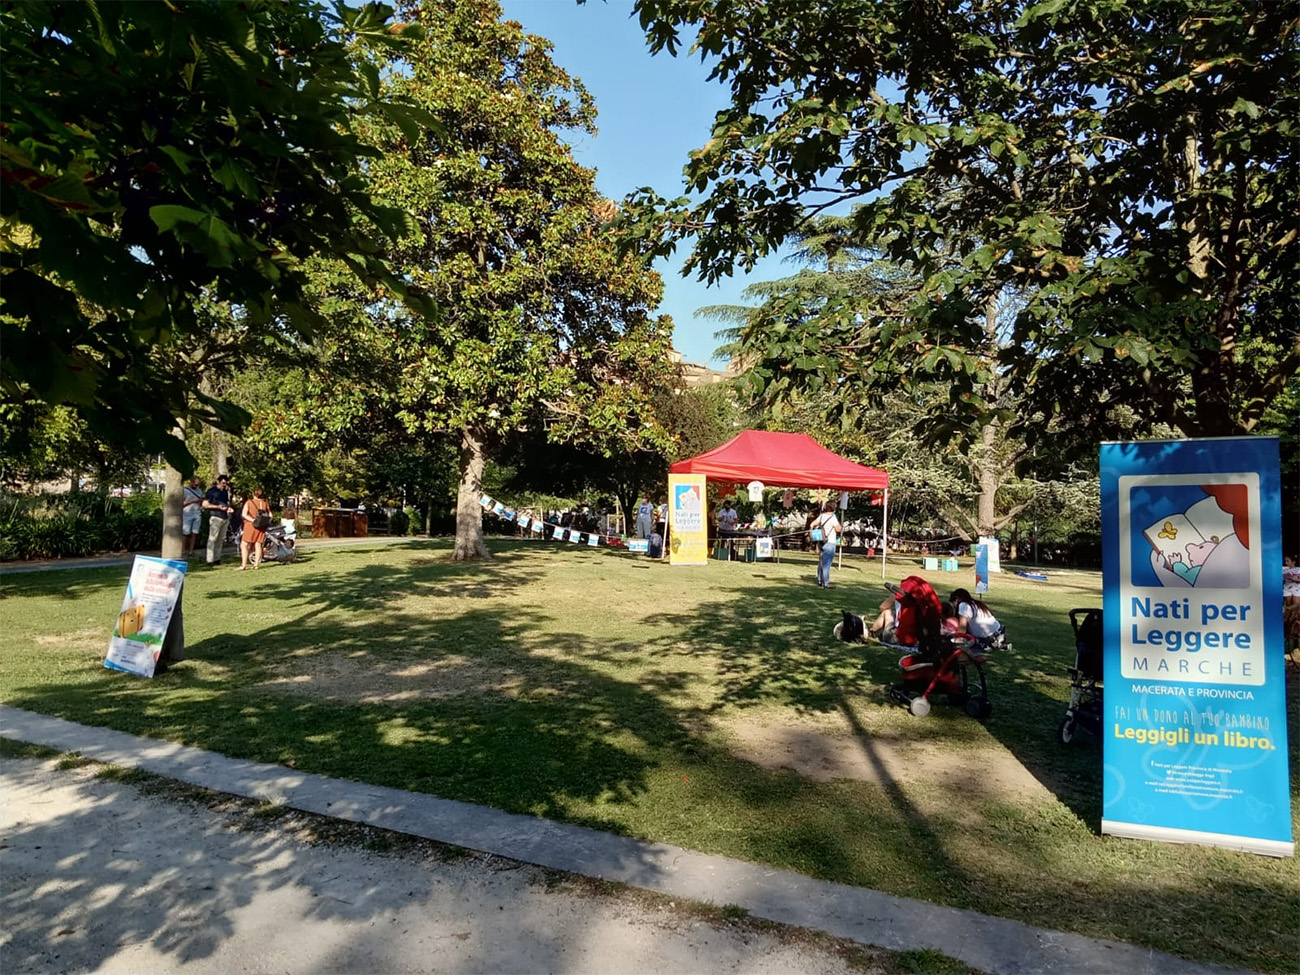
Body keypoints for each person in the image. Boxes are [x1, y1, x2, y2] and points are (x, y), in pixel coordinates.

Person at [202, 474, 234, 566]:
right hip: (215, 516)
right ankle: (210, 560)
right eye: (223, 483)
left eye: (226, 483)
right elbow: (205, 504)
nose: (224, 485)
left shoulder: (225, 492)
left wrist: (228, 508)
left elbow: (226, 503)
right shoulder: (211, 491)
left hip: (224, 517)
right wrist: (217, 507)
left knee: (220, 539)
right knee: (212, 539)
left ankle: (217, 558)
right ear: (218, 482)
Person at [239, 486, 272, 570]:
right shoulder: (264, 503)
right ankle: (256, 564)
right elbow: (270, 515)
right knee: (258, 544)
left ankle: (244, 564)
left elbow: (244, 514)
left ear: (253, 493)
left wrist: (253, 520)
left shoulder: (249, 502)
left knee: (244, 544)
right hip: (261, 526)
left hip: (250, 525)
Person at [810, 500, 841, 588]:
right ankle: (826, 582)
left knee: (821, 562)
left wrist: (814, 531)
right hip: (830, 541)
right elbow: (838, 529)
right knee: (827, 563)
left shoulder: (822, 516)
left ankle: (820, 580)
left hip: (821, 540)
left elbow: (812, 524)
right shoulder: (833, 517)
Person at [182, 476, 205, 556]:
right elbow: (181, 504)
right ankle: (183, 550)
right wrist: (193, 501)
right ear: (191, 483)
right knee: (185, 533)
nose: (197, 487)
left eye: (198, 485)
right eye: (195, 485)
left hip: (197, 513)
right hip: (187, 513)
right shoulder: (185, 490)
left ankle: (191, 551)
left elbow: (201, 500)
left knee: (194, 533)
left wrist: (202, 502)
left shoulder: (199, 491)